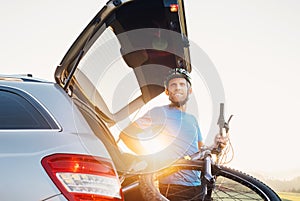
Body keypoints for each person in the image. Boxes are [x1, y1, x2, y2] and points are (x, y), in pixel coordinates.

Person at [119, 68, 227, 200]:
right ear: (167, 91)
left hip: (197, 185)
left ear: (189, 91)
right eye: (173, 85)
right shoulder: (159, 112)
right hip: (173, 186)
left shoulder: (192, 119)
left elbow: (199, 151)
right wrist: (149, 159)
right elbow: (126, 134)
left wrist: (216, 144)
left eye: (182, 85)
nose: (178, 88)